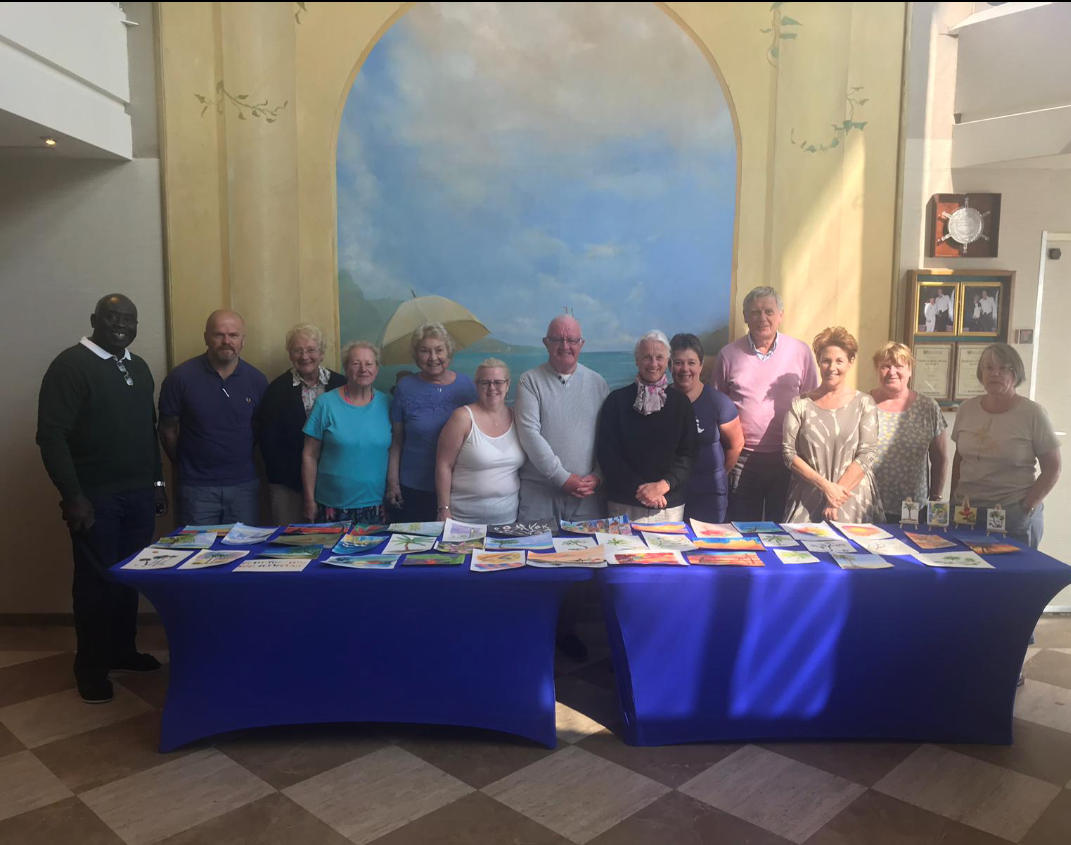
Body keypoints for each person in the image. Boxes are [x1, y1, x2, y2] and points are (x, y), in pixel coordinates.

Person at [36, 294, 166, 704]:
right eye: (112, 317)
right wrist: (72, 496)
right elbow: (51, 436)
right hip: (95, 499)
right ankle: (91, 668)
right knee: (96, 584)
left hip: (138, 495)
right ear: (95, 319)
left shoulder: (138, 366)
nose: (121, 324)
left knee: (128, 577)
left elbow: (148, 430)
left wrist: (157, 482)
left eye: (129, 318)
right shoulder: (70, 365)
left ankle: (122, 651)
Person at [712, 286, 819, 522]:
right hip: (742, 458)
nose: (763, 318)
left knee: (781, 529)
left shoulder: (800, 352)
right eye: (755, 312)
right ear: (745, 317)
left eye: (769, 312)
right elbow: (717, 408)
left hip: (787, 458)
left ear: (780, 315)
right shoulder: (728, 355)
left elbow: (812, 404)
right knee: (742, 528)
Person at [158, 310, 268, 525]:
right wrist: (186, 461)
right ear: (206, 338)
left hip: (243, 487)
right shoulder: (180, 378)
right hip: (196, 489)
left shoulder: (257, 380)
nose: (227, 341)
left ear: (243, 340)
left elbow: (257, 427)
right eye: (219, 334)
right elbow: (167, 429)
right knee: (196, 547)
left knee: (242, 546)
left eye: (233, 335)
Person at [951, 343, 1061, 548]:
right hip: (966, 511)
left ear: (1016, 373)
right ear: (981, 373)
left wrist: (1026, 508)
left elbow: (1053, 468)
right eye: (988, 367)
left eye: (1003, 368)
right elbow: (960, 458)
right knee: (962, 567)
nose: (995, 373)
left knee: (1013, 569)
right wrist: (952, 500)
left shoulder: (1033, 413)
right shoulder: (966, 409)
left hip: (1012, 513)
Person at [515, 314, 609, 522]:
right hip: (539, 495)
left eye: (572, 340)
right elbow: (529, 435)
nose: (565, 346)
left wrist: (598, 475)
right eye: (557, 339)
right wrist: (562, 477)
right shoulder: (529, 381)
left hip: (588, 496)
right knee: (536, 545)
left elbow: (609, 436)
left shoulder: (598, 383)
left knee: (588, 545)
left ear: (581, 344)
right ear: (546, 343)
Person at [782, 327, 882, 522]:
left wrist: (835, 498)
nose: (831, 367)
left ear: (851, 361)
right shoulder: (800, 404)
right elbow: (788, 453)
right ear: (818, 362)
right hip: (808, 497)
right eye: (826, 360)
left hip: (851, 499)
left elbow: (867, 453)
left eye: (839, 361)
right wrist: (826, 487)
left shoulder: (864, 403)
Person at [597, 330, 698, 522]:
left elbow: (689, 455)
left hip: (667, 505)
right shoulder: (615, 401)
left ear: (667, 362)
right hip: (624, 504)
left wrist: (662, 486)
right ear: (637, 360)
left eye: (659, 357)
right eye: (647, 357)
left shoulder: (681, 404)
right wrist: (643, 491)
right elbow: (608, 455)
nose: (653, 364)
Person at [386, 323, 477, 522]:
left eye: (439, 350)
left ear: (449, 352)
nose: (433, 357)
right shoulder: (405, 387)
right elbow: (397, 441)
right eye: (425, 351)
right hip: (414, 487)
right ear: (416, 355)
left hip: (459, 488)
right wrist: (393, 484)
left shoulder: (467, 386)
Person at [260, 324, 346, 525]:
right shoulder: (276, 390)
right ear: (290, 354)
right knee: (289, 538)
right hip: (288, 483)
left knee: (331, 538)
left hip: (334, 483)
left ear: (322, 353)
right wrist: (302, 480)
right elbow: (268, 442)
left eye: (311, 350)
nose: (304, 356)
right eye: (297, 350)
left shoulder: (341, 384)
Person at [302, 341, 392, 523]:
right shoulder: (325, 404)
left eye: (369, 364)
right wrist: (309, 500)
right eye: (356, 363)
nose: (363, 369)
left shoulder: (389, 404)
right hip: (331, 505)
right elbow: (309, 455)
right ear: (346, 368)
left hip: (376, 505)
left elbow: (396, 450)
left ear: (376, 369)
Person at [435, 358, 526, 524]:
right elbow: (444, 465)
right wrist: (443, 509)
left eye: (498, 382)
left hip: (508, 521)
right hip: (463, 520)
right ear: (477, 385)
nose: (492, 387)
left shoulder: (518, 418)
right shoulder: (462, 417)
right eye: (485, 382)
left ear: (507, 385)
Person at [869, 342, 949, 522]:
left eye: (899, 366)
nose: (892, 372)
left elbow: (940, 458)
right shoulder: (863, 404)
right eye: (885, 366)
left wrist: (935, 499)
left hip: (913, 508)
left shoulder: (928, 407)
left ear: (910, 370)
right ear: (877, 370)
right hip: (868, 505)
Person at [669, 333, 744, 523]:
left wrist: (718, 474)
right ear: (670, 365)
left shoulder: (718, 402)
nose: (685, 369)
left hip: (709, 496)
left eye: (691, 362)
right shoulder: (661, 401)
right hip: (670, 495)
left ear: (701, 365)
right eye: (678, 362)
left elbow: (736, 444)